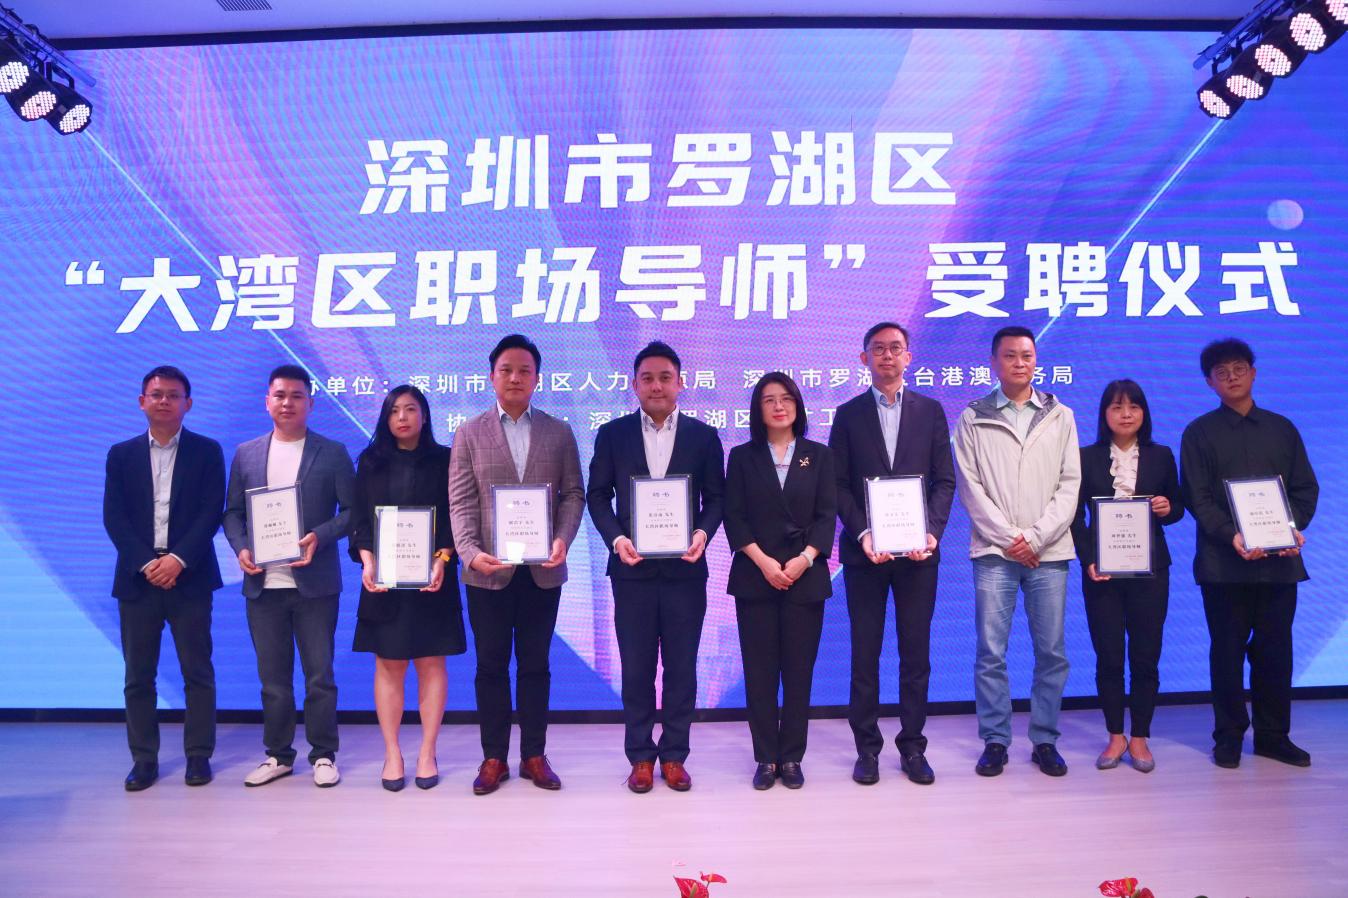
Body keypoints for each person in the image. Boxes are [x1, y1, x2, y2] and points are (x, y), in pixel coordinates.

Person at [448, 334, 585, 795]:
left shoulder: (559, 431)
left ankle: (533, 755)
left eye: (524, 370)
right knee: (490, 665)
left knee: (535, 665)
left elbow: (573, 494)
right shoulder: (468, 432)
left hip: (543, 571)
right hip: (487, 571)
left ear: (537, 378)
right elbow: (461, 501)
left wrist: (563, 538)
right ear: (492, 376)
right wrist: (470, 553)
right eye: (506, 369)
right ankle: (493, 758)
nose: (515, 377)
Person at [586, 341, 724, 793]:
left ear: (680, 383)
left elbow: (717, 498)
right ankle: (641, 757)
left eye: (665, 377)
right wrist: (617, 539)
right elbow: (597, 496)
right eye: (647, 378)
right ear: (634, 384)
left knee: (682, 668)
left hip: (686, 572)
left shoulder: (704, 436)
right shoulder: (613, 434)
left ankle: (675, 755)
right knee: (637, 669)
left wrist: (702, 533)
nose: (657, 386)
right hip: (632, 571)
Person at [1180, 338, 1318, 769]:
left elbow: (1305, 489)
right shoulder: (1199, 433)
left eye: (1239, 368)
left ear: (1253, 373)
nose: (1232, 377)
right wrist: (1232, 535)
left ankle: (1274, 736)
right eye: (1221, 372)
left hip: (1280, 564)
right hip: (1224, 565)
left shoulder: (1282, 428)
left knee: (1276, 652)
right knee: (1226, 653)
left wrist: (1290, 527)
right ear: (1210, 382)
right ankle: (1229, 737)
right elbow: (1197, 498)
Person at [829, 322, 956, 786]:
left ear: (908, 357)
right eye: (878, 349)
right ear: (864, 358)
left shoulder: (931, 411)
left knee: (915, 654)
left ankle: (913, 746)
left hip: (919, 555)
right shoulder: (848, 415)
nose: (887, 356)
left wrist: (932, 532)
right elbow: (838, 485)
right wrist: (864, 532)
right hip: (865, 555)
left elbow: (945, 480)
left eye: (895, 348)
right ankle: (867, 749)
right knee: (865, 654)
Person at [954, 325, 1080, 778]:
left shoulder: (1060, 414)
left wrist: (1037, 538)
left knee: (1052, 652)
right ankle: (995, 740)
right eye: (1010, 355)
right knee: (991, 651)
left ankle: (1045, 739)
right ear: (994, 362)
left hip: (1050, 553)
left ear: (1035, 360)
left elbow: (1070, 484)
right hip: (994, 552)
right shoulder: (973, 416)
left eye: (1026, 355)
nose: (1020, 363)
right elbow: (970, 487)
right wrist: (1012, 539)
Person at [223, 364, 355, 788]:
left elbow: (353, 512)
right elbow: (232, 513)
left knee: (320, 676)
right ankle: (278, 755)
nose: (287, 403)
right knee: (273, 680)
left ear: (311, 403)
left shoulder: (332, 452)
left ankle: (324, 755)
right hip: (263, 585)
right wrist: (242, 547)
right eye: (279, 395)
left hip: (316, 584)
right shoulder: (246, 453)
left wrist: (320, 535)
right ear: (267, 402)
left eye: (297, 396)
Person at [102, 365, 224, 791]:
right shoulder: (121, 454)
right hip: (138, 580)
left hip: (190, 577)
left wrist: (177, 560)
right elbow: (114, 517)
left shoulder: (207, 451)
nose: (164, 401)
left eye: (173, 395)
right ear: (142, 402)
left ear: (188, 403)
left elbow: (211, 512)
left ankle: (198, 756)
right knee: (139, 675)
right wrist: (147, 563)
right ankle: (144, 759)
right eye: (156, 394)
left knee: (198, 671)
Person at [349, 385, 465, 791]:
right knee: (389, 664)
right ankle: (392, 752)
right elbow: (360, 520)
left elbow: (455, 517)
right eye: (394, 410)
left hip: (432, 578)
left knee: (431, 663)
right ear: (386, 417)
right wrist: (368, 561)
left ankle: (428, 751)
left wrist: (442, 559)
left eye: (410, 409)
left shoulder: (446, 459)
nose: (402, 417)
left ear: (424, 415)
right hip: (383, 580)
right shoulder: (370, 462)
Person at [724, 372, 836, 790]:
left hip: (805, 577)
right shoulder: (742, 457)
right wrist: (764, 562)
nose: (778, 406)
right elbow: (734, 516)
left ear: (798, 405)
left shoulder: (819, 456)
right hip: (756, 577)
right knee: (760, 673)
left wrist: (804, 560)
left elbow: (827, 516)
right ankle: (765, 757)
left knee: (798, 672)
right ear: (758, 408)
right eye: (769, 399)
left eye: (786, 398)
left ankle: (792, 757)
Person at [1069, 380, 1184, 773]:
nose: (1126, 414)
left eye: (1133, 407)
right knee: (1109, 656)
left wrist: (1168, 507)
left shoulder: (1161, 455)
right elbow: (1075, 517)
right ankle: (1115, 735)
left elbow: (1178, 506)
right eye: (1117, 407)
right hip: (1102, 572)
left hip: (1150, 570)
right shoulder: (1085, 457)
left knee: (1146, 655)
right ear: (1104, 414)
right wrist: (1088, 559)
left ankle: (1140, 737)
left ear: (1144, 413)